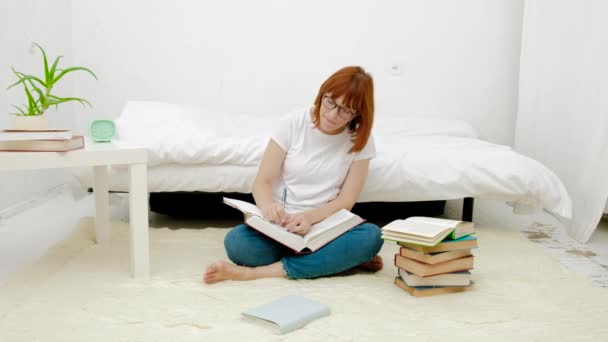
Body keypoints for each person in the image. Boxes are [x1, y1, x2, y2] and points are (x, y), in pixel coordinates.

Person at [204, 66, 383, 284]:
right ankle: (332, 259)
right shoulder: (293, 123)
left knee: (372, 237)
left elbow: (347, 199)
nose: (332, 114)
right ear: (322, 94)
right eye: (330, 102)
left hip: (323, 227)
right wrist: (268, 207)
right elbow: (263, 181)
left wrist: (309, 218)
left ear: (358, 113)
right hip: (281, 226)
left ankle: (256, 274)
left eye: (345, 110)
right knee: (238, 243)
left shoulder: (360, 140)